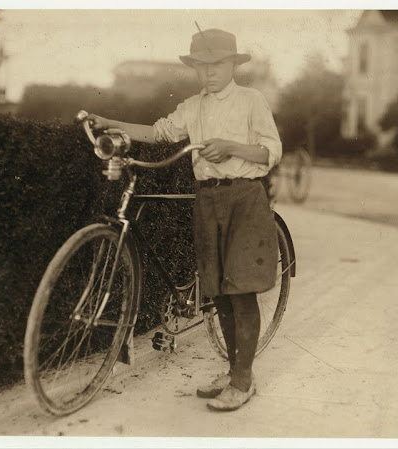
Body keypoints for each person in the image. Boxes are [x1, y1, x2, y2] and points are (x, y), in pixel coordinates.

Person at [89, 28, 282, 411]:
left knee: (241, 291)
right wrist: (108, 121)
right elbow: (158, 133)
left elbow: (271, 151)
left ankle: (243, 380)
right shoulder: (193, 106)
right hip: (207, 200)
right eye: (201, 66)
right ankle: (233, 371)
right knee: (218, 292)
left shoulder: (251, 100)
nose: (209, 72)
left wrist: (231, 148)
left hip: (244, 199)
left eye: (217, 64)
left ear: (232, 65)